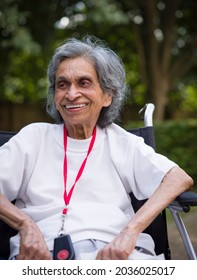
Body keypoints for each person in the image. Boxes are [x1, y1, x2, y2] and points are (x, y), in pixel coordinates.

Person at [0, 36, 193, 260]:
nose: (71, 94)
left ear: (107, 96)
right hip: (43, 253)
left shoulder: (120, 141)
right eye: (62, 85)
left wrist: (130, 232)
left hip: (114, 254)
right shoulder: (33, 138)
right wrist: (25, 225)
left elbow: (178, 178)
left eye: (84, 83)